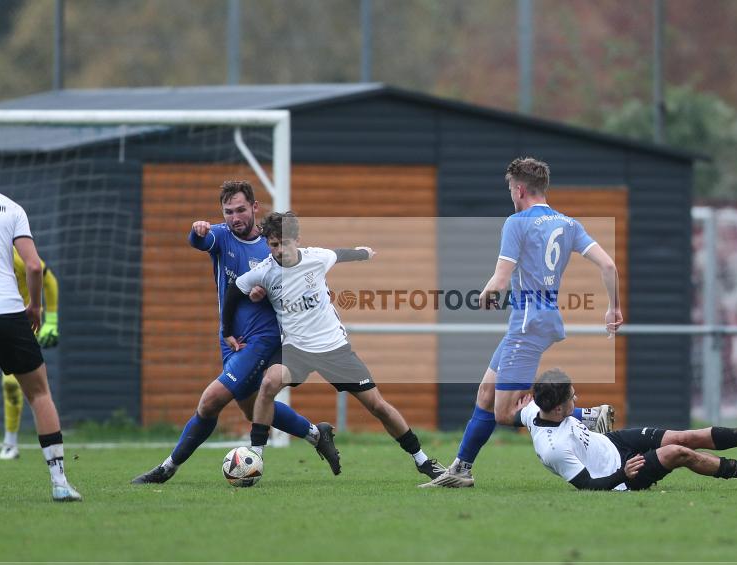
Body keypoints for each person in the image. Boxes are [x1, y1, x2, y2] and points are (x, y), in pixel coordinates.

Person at [422, 157, 623, 488]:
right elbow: (609, 266)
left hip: (527, 325)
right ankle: (461, 469)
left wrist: (483, 296)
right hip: (539, 320)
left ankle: (586, 415)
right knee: (486, 393)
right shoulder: (568, 224)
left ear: (518, 189)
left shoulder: (516, 223)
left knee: (504, 412)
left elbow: (500, 281)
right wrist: (613, 308)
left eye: (510, 190)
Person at [132, 182, 339, 484]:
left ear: (255, 208)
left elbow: (293, 284)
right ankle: (315, 433)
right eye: (228, 212)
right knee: (250, 406)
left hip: (261, 339)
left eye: (241, 210)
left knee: (210, 400)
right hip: (230, 339)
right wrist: (197, 230)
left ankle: (167, 468)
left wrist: (268, 292)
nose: (234, 217)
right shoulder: (221, 236)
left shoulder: (272, 246)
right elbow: (198, 241)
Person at [221, 211, 445, 479]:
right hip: (297, 350)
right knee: (269, 384)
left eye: (284, 242)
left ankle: (422, 460)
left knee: (377, 406)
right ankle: (255, 454)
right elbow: (234, 290)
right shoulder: (265, 271)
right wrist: (227, 330)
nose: (280, 250)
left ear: (297, 240)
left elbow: (340, 254)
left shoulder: (316, 258)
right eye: (273, 244)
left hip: (334, 348)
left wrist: (363, 253)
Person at [522, 368, 737, 491]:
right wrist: (622, 473)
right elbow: (586, 486)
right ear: (557, 409)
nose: (576, 399)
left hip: (611, 442)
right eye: (572, 398)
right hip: (622, 475)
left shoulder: (535, 409)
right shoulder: (554, 448)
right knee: (679, 452)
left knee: (684, 436)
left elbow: (507, 412)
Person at [0, 192, 81, 501]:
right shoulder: (12, 209)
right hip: (9, 312)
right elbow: (34, 266)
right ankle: (59, 483)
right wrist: (35, 306)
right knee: (39, 394)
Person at [1, 248, 60, 460]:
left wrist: (51, 320)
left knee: (13, 385)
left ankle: (10, 443)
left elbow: (47, 278)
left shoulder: (16, 256)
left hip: (20, 323)